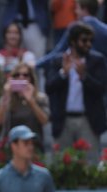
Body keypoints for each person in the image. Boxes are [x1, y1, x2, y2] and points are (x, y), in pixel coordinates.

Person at [45, 22, 107, 163]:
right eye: (84, 40)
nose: (88, 44)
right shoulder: (58, 61)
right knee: (61, 165)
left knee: (91, 165)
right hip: (63, 120)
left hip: (88, 121)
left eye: (91, 40)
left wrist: (84, 76)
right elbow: (49, 87)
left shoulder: (97, 60)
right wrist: (63, 73)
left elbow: (102, 88)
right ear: (73, 41)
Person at [0, 63, 49, 151]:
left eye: (25, 75)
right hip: (12, 146)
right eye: (17, 75)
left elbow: (44, 121)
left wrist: (31, 101)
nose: (21, 77)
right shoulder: (7, 98)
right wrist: (6, 95)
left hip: (33, 145)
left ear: (31, 79)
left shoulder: (40, 98)